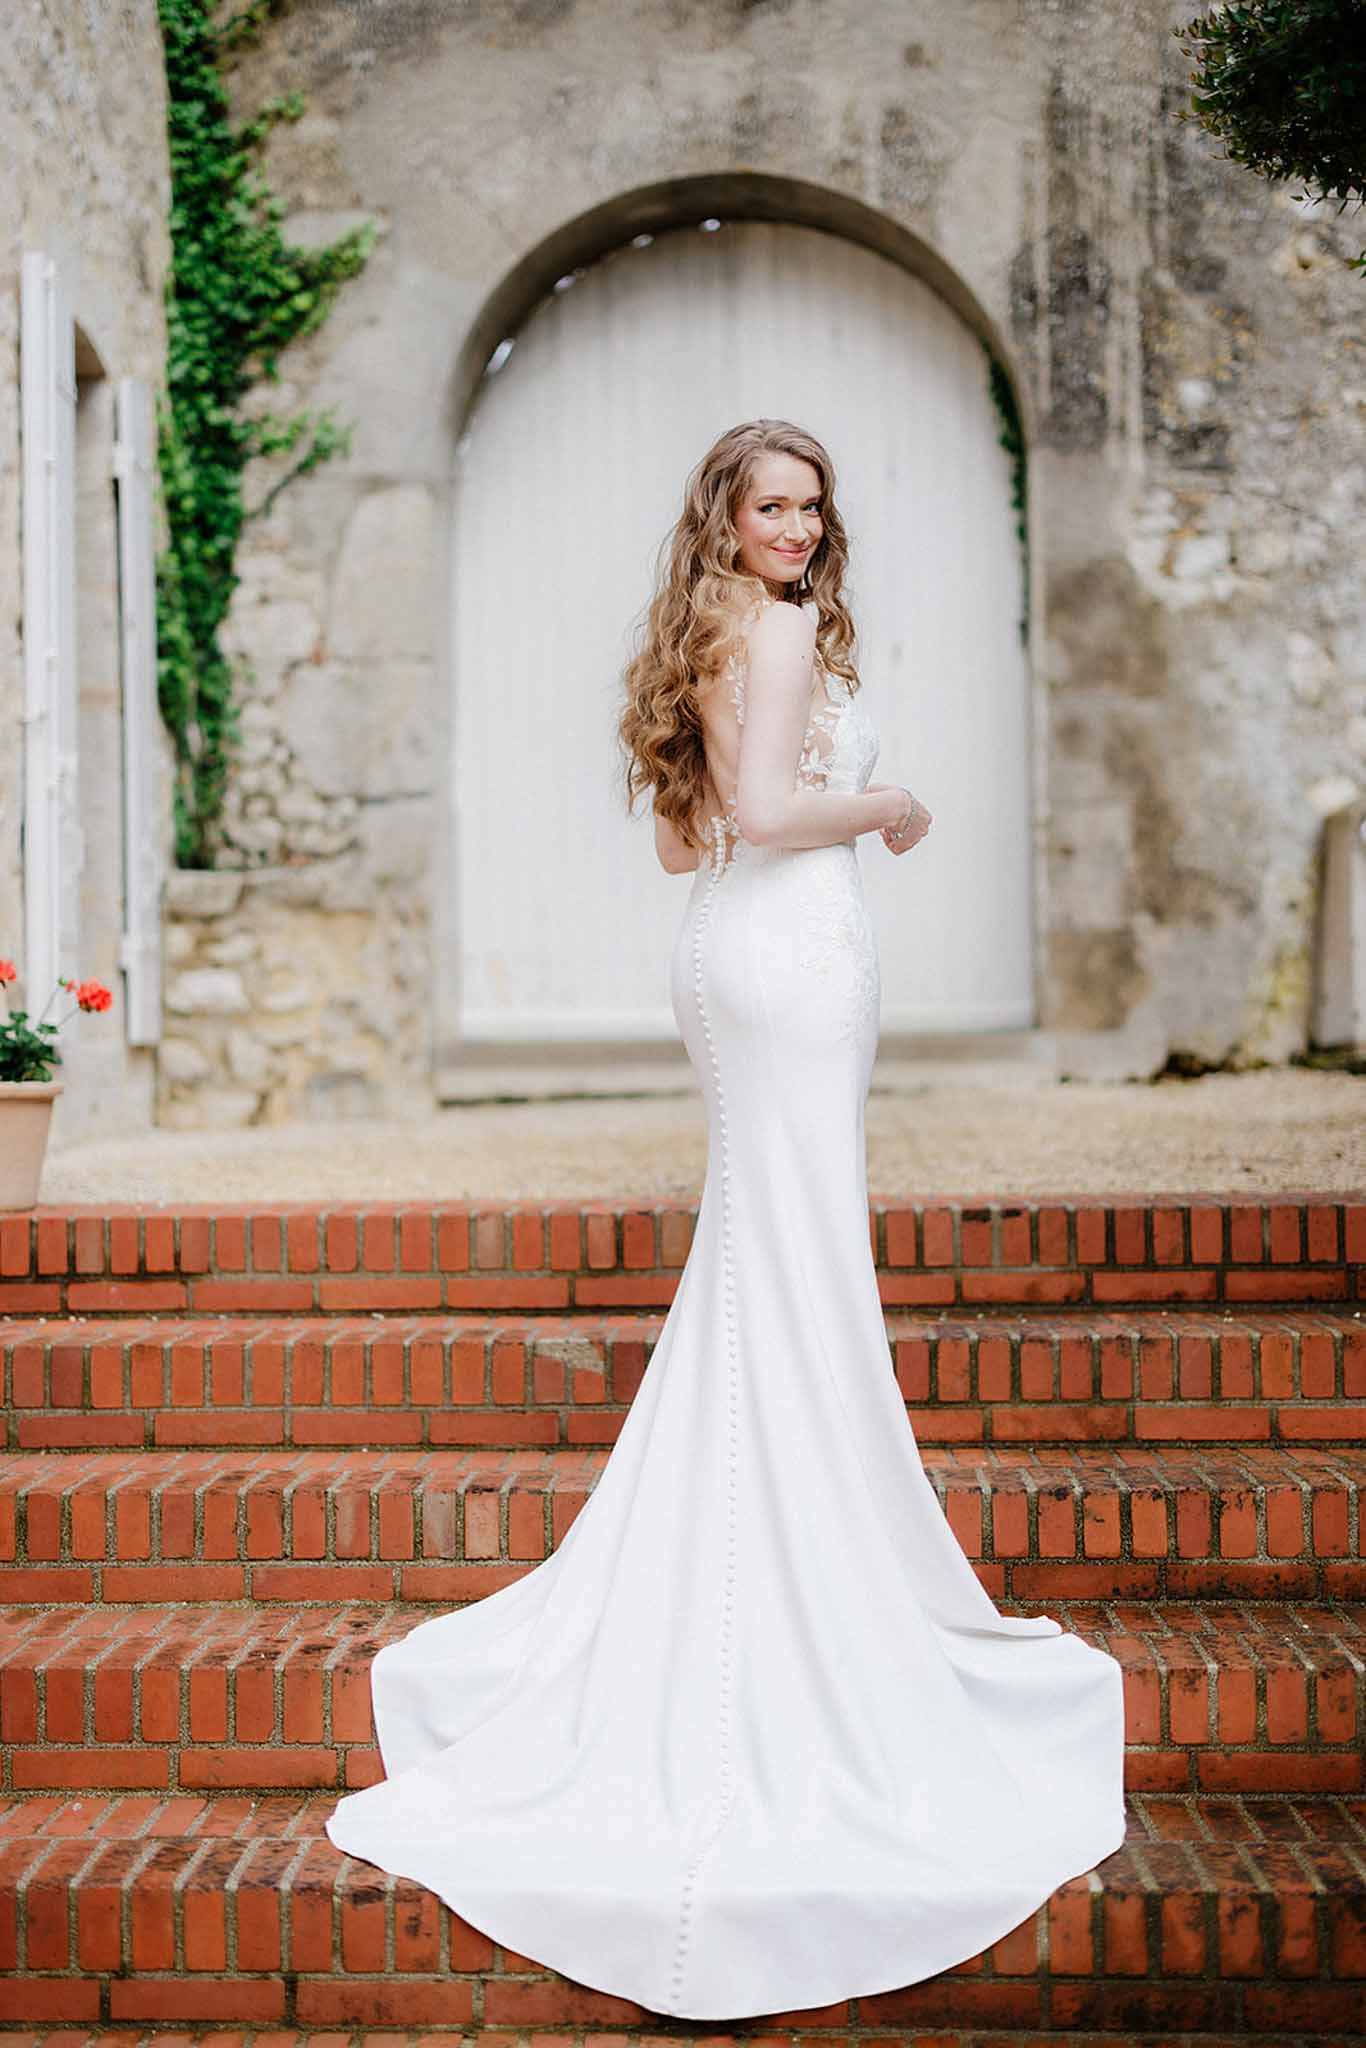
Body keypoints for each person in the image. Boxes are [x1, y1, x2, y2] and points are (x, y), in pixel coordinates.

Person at [323, 417, 1128, 2020]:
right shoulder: (759, 634)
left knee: (772, 1265)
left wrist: (805, 815)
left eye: (813, 506)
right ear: (727, 516)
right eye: (772, 507)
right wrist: (883, 801)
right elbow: (758, 820)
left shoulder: (714, 632)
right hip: (786, 959)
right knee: (792, 1265)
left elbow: (692, 829)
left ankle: (775, 1526)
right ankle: (791, 1572)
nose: (799, 530)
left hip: (741, 959)